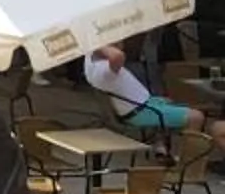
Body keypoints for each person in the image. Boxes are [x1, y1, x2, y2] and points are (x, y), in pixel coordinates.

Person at [82, 43, 225, 142]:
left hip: (146, 103)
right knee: (196, 117)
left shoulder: (91, 60)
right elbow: (118, 56)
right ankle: (189, 165)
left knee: (183, 103)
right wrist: (99, 45)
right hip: (141, 111)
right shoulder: (102, 71)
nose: (121, 41)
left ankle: (162, 146)